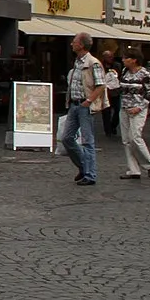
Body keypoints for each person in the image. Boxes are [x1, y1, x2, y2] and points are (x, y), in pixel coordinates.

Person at [60, 33, 104, 186]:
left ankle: (90, 175)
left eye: (74, 42)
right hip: (74, 104)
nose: (72, 44)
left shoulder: (93, 62)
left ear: (81, 45)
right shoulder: (77, 62)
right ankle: (84, 166)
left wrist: (89, 101)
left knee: (87, 141)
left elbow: (101, 85)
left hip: (85, 106)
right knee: (66, 138)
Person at [116, 50, 150, 179]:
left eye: (125, 58)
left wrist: (140, 107)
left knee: (135, 137)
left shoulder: (144, 74)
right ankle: (133, 170)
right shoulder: (124, 72)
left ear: (134, 60)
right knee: (126, 140)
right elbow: (121, 88)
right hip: (124, 108)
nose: (123, 60)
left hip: (138, 109)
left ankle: (149, 164)